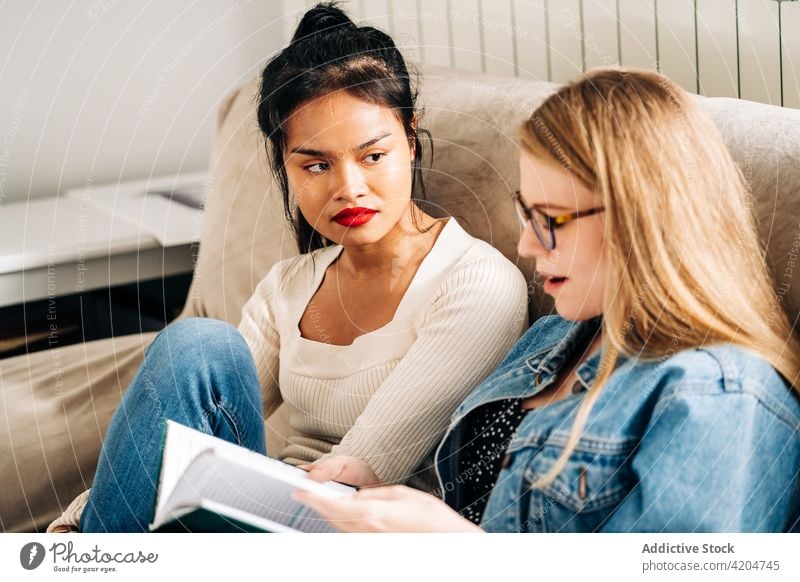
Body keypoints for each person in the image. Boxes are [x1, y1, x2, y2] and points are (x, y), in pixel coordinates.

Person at [47, 3, 527, 532]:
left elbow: (358, 478)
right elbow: (173, 422)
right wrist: (73, 525)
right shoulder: (288, 287)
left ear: (410, 139)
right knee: (201, 348)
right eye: (316, 165)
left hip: (349, 528)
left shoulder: (477, 283)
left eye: (372, 156)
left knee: (199, 348)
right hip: (259, 512)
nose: (348, 187)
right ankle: (82, 550)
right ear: (286, 166)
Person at [295, 68, 800, 532]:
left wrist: (461, 551)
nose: (527, 246)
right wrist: (384, 498)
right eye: (526, 213)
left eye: (552, 219)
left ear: (645, 220)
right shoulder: (557, 335)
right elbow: (474, 509)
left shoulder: (722, 395)